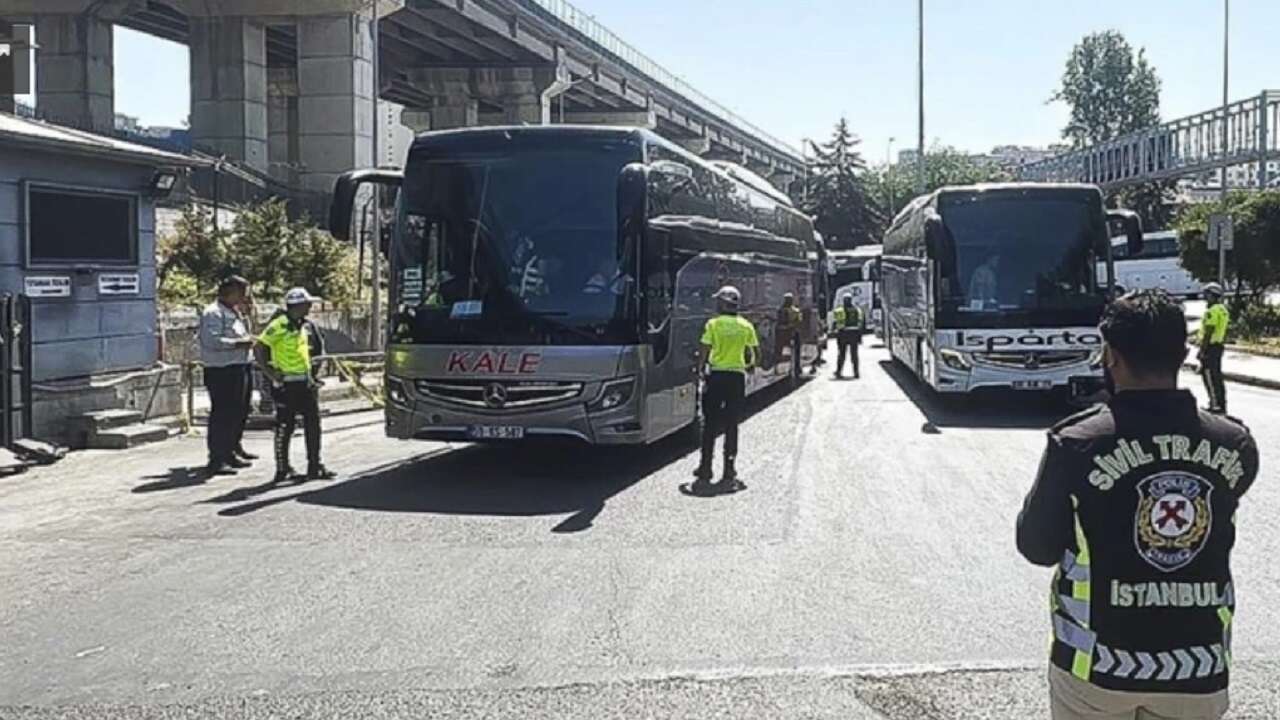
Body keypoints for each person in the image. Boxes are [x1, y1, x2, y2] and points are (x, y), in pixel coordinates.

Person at [1016, 290, 1258, 720]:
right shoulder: (1235, 445)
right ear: (1183, 353)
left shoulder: (1077, 443)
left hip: (1096, 668)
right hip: (1198, 669)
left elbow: (1036, 546)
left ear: (1110, 355)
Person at [255, 287, 335, 483]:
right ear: (297, 305)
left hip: (305, 383)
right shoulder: (279, 325)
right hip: (286, 385)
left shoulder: (304, 325)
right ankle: (282, 469)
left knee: (313, 425)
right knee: (285, 426)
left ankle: (314, 465)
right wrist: (270, 373)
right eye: (307, 304)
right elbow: (259, 348)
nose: (310, 307)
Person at [693, 285, 759, 491]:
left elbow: (704, 348)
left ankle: (705, 469)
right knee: (732, 424)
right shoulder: (746, 325)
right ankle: (729, 469)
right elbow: (754, 353)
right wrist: (749, 368)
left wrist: (700, 370)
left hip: (717, 377)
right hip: (736, 378)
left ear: (722, 303)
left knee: (710, 423)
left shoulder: (713, 324)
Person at [198, 276, 256, 476]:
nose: (244, 297)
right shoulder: (213, 313)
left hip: (239, 365)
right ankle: (216, 458)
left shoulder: (234, 312)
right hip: (222, 369)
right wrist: (238, 344)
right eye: (242, 293)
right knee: (222, 414)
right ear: (231, 292)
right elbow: (211, 341)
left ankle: (231, 450)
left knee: (239, 411)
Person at [1198, 282, 1230, 414]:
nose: (1205, 297)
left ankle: (1215, 404)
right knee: (1217, 377)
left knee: (1210, 377)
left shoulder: (1212, 311)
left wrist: (1202, 350)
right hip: (1218, 346)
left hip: (1210, 347)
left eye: (1206, 294)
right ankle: (1221, 403)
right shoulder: (1223, 310)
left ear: (1212, 295)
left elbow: (1209, 331)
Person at [832, 295, 864, 379]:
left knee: (842, 354)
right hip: (854, 333)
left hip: (843, 333)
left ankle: (838, 372)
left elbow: (835, 323)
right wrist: (860, 337)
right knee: (854, 354)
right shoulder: (857, 310)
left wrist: (834, 331)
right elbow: (860, 323)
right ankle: (856, 373)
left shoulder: (839, 310)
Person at [775, 293, 803, 379]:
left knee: (779, 349)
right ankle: (797, 368)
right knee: (796, 351)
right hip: (793, 333)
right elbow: (799, 322)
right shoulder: (796, 311)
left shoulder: (780, 310)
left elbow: (778, 321)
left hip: (783, 333)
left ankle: (779, 365)